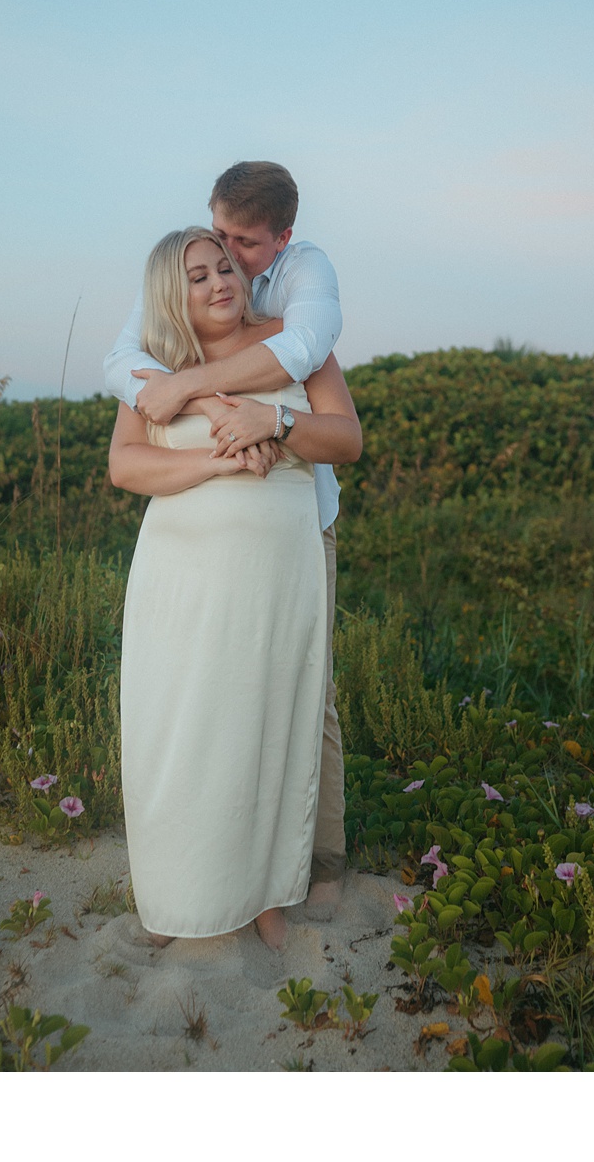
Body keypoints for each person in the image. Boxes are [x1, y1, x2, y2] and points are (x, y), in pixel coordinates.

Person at [104, 162, 349, 917]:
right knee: (185, 724)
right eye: (205, 263)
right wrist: (219, 447)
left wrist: (270, 422)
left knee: (286, 708)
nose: (221, 272)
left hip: (285, 558)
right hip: (182, 573)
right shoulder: (156, 360)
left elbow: (343, 436)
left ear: (275, 244)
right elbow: (125, 461)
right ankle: (184, 888)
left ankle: (293, 878)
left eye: (232, 256)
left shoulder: (295, 328)